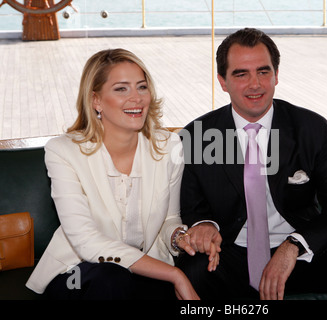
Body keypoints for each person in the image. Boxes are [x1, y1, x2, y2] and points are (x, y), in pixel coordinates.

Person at [177, 28, 327, 300]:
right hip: (231, 255)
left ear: (276, 75)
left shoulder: (309, 128)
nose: (255, 84)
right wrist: (204, 225)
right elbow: (190, 210)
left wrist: (295, 244)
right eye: (241, 74)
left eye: (263, 72)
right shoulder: (198, 136)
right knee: (192, 269)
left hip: (300, 253)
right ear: (223, 81)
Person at [25, 48, 208, 300]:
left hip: (144, 272)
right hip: (77, 273)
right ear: (96, 100)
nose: (137, 98)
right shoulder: (63, 152)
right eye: (121, 89)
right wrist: (175, 275)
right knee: (111, 278)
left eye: (142, 87)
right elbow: (87, 242)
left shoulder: (169, 146)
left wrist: (179, 237)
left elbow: (170, 219)